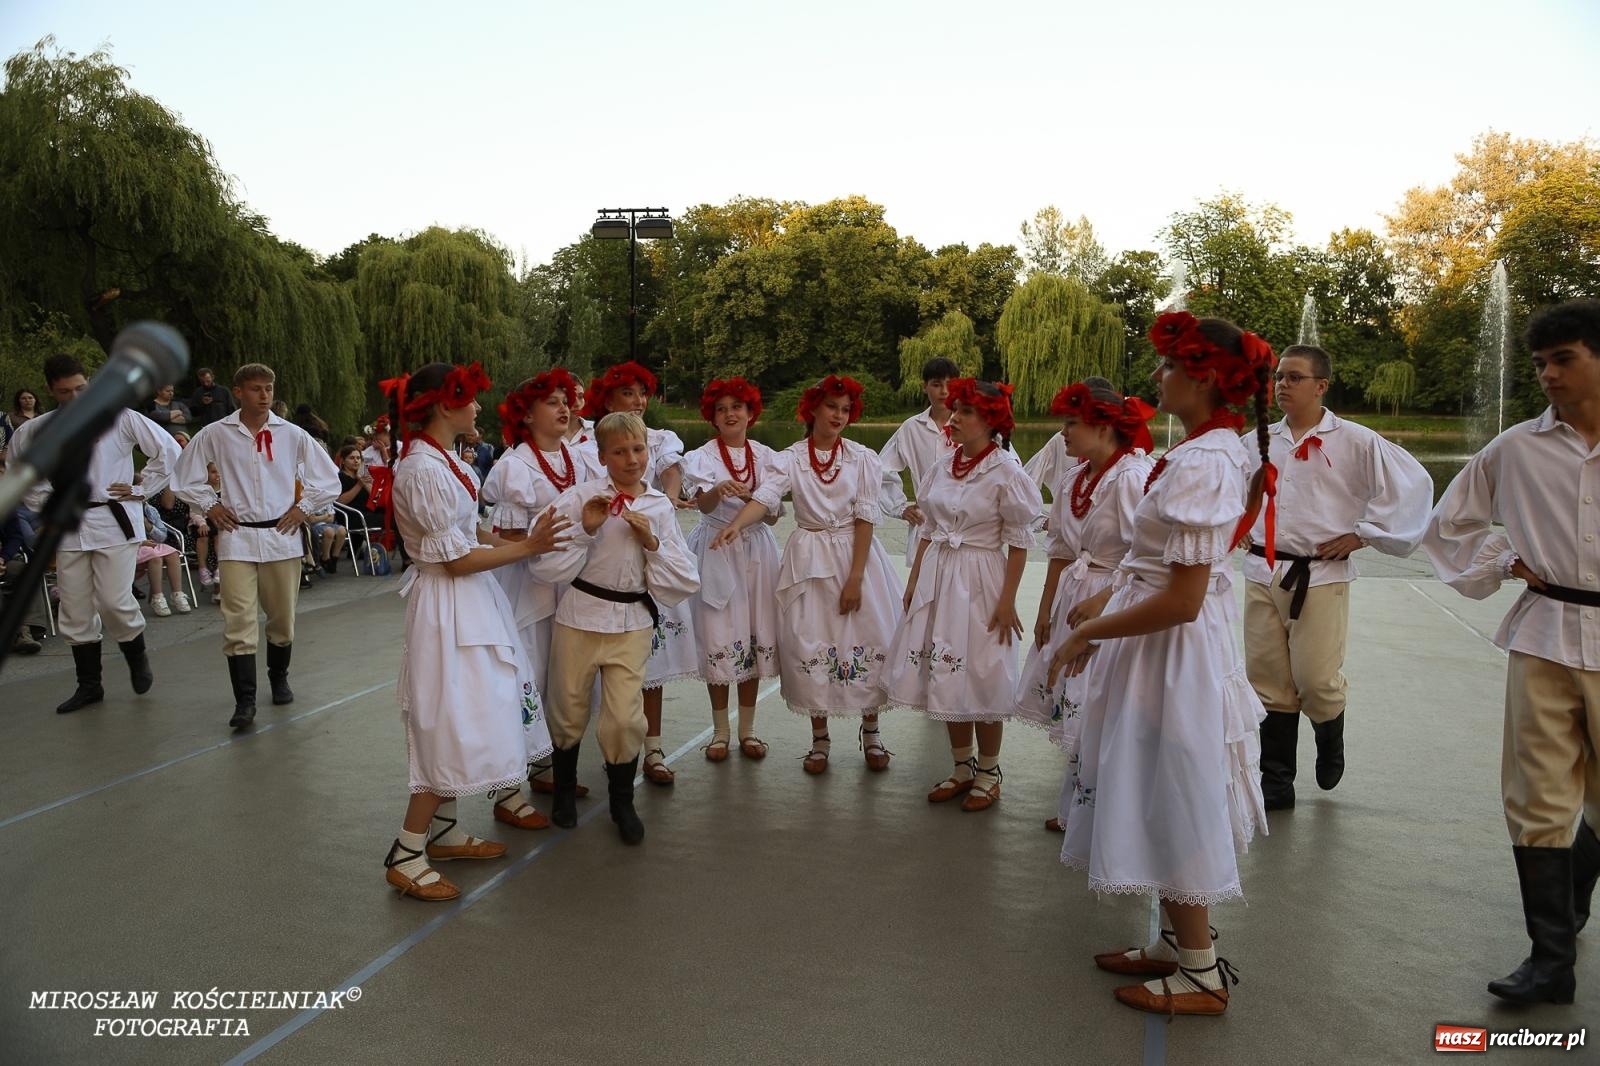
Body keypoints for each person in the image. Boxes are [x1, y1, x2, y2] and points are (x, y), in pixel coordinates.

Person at [1047, 311, 1275, 1016]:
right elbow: (1161, 571)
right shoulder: (1204, 452)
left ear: (1204, 377)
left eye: (1168, 367)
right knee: (1153, 780)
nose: (1156, 378)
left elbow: (1182, 599)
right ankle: (1176, 946)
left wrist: (1092, 632)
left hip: (1170, 654)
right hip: (1160, 649)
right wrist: (1106, 603)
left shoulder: (1205, 462)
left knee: (1175, 787)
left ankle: (1202, 971)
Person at [1422, 297, 1600, 1006]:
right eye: (1539, 364)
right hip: (1546, 632)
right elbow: (1449, 525)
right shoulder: (1515, 448)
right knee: (1537, 794)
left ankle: (1574, 894)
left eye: (1564, 359)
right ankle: (1550, 960)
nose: (1548, 375)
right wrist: (1501, 556)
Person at [378, 361, 572, 901]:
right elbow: (455, 559)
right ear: (445, 404)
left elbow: (469, 532)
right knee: (449, 722)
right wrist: (528, 548)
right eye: (471, 398)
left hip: (469, 602)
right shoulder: (423, 471)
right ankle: (408, 851)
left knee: (471, 712)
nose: (480, 407)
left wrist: (518, 539)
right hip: (448, 606)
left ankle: (441, 833)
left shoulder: (444, 461)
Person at [1245, 344, 1433, 811]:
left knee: (1315, 680)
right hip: (1261, 569)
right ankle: (1277, 781)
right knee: (1267, 680)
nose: (1282, 385)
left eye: (1294, 377)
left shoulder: (1356, 441)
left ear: (1321, 385)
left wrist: (1362, 535)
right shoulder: (1257, 440)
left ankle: (1330, 736)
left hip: (1321, 576)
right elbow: (1231, 494)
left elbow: (1414, 488)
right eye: (1278, 377)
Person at [713, 375, 904, 774]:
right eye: (832, 407)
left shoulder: (862, 458)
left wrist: (855, 579)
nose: (838, 415)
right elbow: (764, 499)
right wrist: (738, 525)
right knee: (810, 640)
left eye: (845, 409)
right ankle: (819, 740)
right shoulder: (792, 458)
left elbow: (867, 518)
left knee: (866, 635)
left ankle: (872, 733)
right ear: (813, 409)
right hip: (808, 559)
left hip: (855, 557)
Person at [531, 411, 701, 844]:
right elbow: (544, 560)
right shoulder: (579, 497)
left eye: (638, 450)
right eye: (620, 452)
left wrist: (653, 543)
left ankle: (622, 802)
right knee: (568, 707)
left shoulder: (659, 506)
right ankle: (564, 792)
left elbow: (684, 577)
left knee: (625, 717)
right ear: (602, 456)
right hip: (580, 617)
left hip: (631, 623)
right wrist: (588, 530)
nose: (631, 459)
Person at [885, 378, 1042, 812]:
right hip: (940, 572)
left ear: (990, 421)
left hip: (981, 577)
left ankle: (989, 772)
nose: (952, 419)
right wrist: (915, 581)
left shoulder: (1007, 472)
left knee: (983, 671)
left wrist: (1007, 599)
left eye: (964, 412)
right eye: (953, 411)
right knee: (945, 669)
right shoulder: (943, 464)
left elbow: (1019, 541)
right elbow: (930, 529)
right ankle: (961, 767)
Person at [1013, 379, 1154, 830]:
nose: (1064, 433)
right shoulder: (1075, 475)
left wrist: (1104, 597)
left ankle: (1104, 810)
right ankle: (1080, 805)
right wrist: (1044, 609)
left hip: (1112, 602)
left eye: (1072, 424)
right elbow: (1059, 549)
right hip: (1073, 600)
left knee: (1100, 703)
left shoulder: (1131, 477)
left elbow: (1145, 555)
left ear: (1104, 427)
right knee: (1074, 700)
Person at [171, 364, 342, 730]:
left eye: (268, 388)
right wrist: (210, 504)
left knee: (282, 619)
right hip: (238, 537)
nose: (263, 395)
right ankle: (244, 701)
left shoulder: (292, 435)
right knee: (238, 620)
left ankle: (278, 677)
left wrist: (303, 507)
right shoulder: (216, 433)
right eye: (255, 389)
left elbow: (327, 478)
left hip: (281, 537)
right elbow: (183, 475)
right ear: (238, 392)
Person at [8, 354, 180, 713]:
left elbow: (168, 450)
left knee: (115, 601)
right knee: (74, 607)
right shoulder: (34, 430)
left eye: (81, 389)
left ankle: (137, 656)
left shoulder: (119, 417)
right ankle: (90, 685)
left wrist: (140, 487)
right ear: (50, 391)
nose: (74, 396)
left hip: (112, 519)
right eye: (64, 391)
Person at [481, 368, 602, 813]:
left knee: (561, 679)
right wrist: (542, 550)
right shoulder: (514, 466)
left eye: (565, 400)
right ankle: (508, 792)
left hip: (573, 586)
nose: (563, 408)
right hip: (528, 587)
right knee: (525, 679)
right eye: (552, 402)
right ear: (526, 414)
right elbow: (510, 541)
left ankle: (545, 767)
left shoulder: (580, 459)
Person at [579, 360, 696, 786]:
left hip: (648, 546)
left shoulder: (660, 439)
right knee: (595, 664)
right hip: (603, 556)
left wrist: (659, 502)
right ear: (608, 399)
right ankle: (610, 747)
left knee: (652, 661)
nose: (640, 400)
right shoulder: (587, 442)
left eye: (643, 392)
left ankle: (654, 748)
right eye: (629, 393)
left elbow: (670, 471)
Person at [681, 377, 782, 761]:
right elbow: (703, 507)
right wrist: (715, 491)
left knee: (754, 635)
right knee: (721, 635)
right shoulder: (701, 457)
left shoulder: (767, 456)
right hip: (716, 547)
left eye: (736, 407)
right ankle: (720, 731)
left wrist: (756, 500)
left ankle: (748, 730)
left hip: (756, 550)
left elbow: (772, 519)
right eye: (721, 409)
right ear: (713, 416)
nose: (729, 414)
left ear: (750, 412)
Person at [879, 357, 956, 567]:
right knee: (922, 591)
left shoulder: (972, 423)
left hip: (965, 525)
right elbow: (880, 471)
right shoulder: (911, 428)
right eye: (937, 385)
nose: (944, 392)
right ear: (925, 387)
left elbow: (1007, 465)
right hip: (926, 521)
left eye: (950, 385)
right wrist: (899, 507)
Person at [137, 503, 191, 615]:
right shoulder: (124, 508)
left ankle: (177, 594)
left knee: (173, 554)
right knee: (155, 558)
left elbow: (162, 537)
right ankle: (157, 597)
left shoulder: (150, 509)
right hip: (136, 546)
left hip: (153, 544)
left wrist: (149, 525)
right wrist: (141, 542)